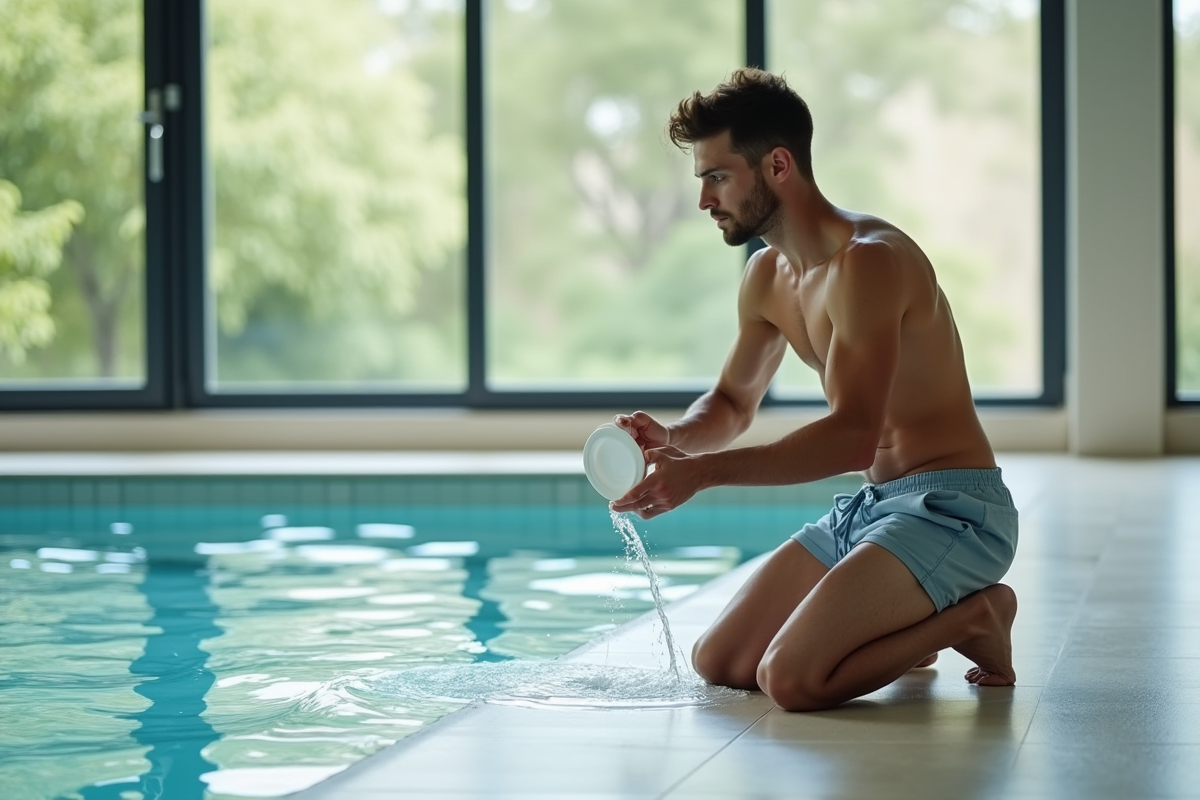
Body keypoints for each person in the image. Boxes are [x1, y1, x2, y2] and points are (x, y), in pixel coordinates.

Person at [610, 68, 1019, 712]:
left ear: (777, 165)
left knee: (793, 681)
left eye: (717, 176)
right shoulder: (767, 276)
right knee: (719, 662)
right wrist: (675, 440)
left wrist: (706, 474)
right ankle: (904, 629)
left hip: (955, 509)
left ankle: (974, 619)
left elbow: (855, 436)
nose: (703, 200)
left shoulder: (869, 262)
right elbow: (731, 403)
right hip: (874, 509)